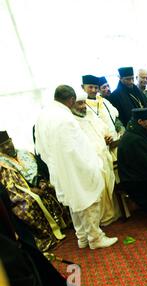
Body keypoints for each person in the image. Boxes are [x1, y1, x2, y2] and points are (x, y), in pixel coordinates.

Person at [35, 85, 118, 250]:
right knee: (89, 200)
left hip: (58, 168)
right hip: (75, 168)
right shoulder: (65, 118)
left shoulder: (44, 115)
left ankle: (82, 238)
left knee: (75, 203)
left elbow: (40, 148)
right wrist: (92, 165)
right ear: (71, 100)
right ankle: (95, 238)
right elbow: (75, 149)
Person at [0, 131, 70, 252]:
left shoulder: (25, 153)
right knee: (29, 203)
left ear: (11, 140)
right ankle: (46, 236)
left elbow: (41, 170)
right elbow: (11, 185)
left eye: (8, 143)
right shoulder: (3, 164)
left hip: (37, 184)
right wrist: (31, 190)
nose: (7, 147)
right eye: (2, 146)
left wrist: (42, 182)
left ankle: (63, 223)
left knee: (53, 186)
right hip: (23, 191)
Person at [71, 90, 120, 226]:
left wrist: (108, 136)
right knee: (98, 189)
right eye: (79, 104)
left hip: (104, 157)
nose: (82, 106)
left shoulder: (90, 115)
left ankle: (112, 214)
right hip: (89, 163)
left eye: (83, 103)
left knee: (108, 186)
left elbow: (104, 130)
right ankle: (101, 218)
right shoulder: (71, 122)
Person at [81, 75, 125, 158]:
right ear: (83, 87)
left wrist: (122, 131)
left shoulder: (104, 102)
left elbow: (115, 119)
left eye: (96, 87)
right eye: (90, 87)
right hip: (97, 150)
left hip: (115, 144)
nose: (94, 90)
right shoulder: (81, 105)